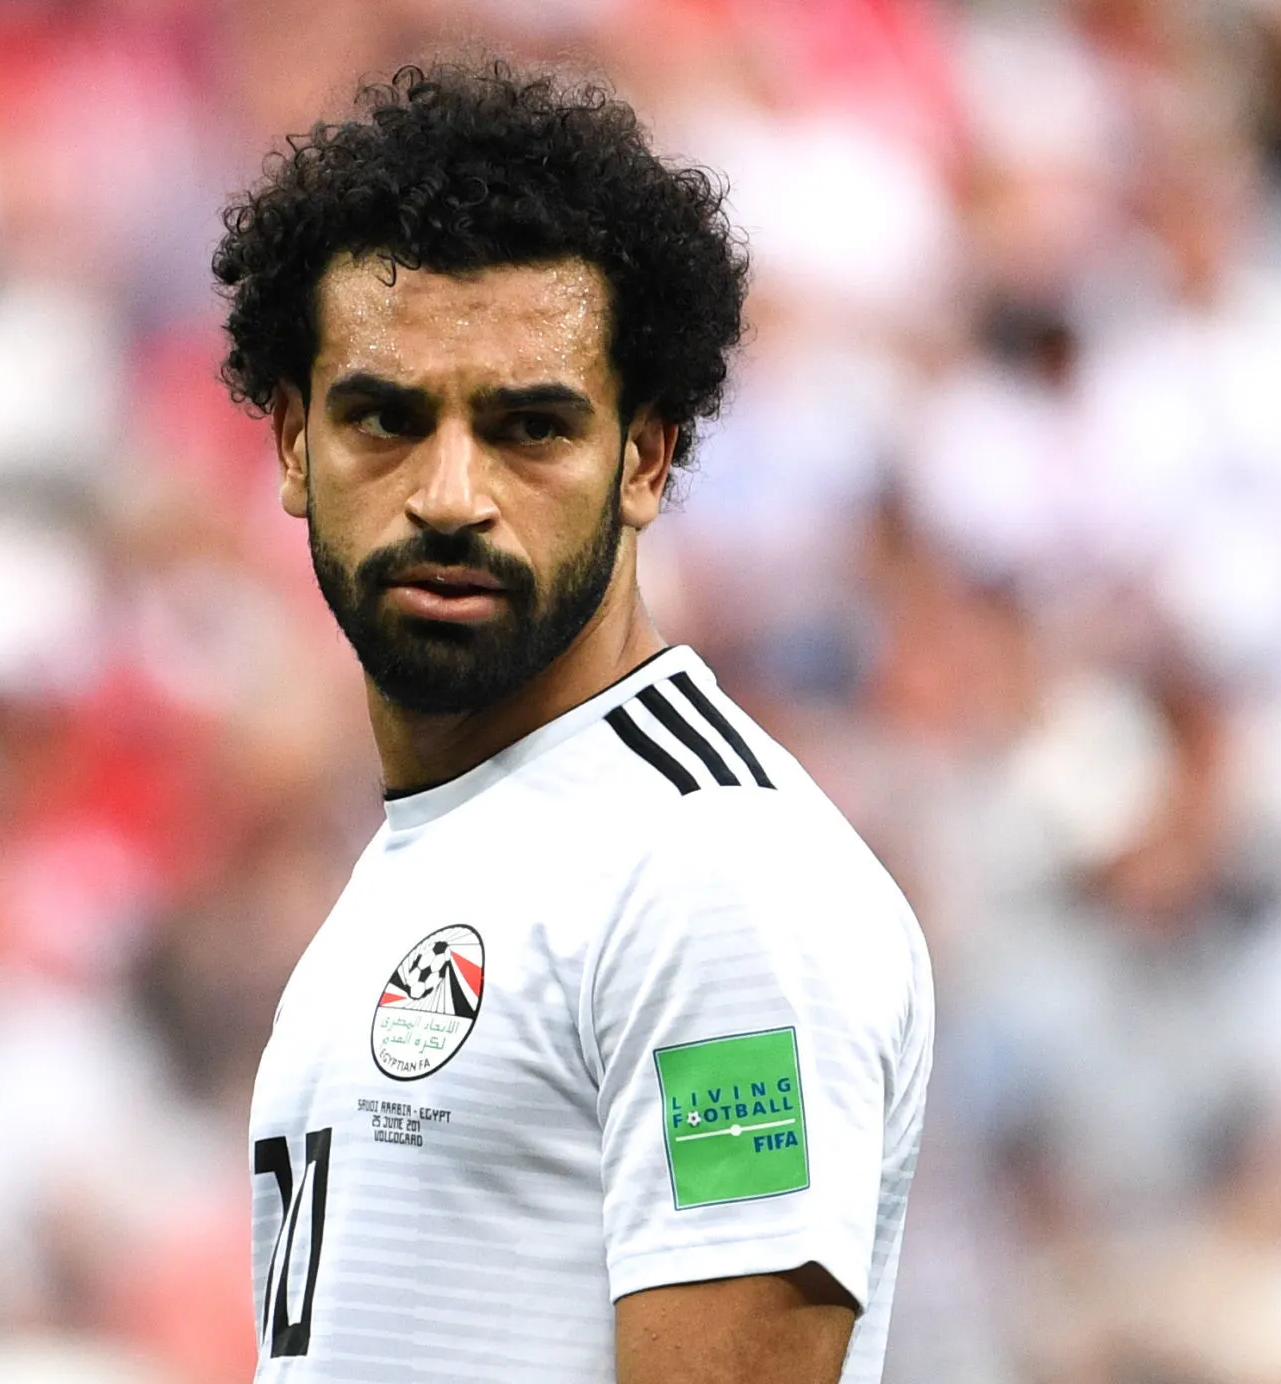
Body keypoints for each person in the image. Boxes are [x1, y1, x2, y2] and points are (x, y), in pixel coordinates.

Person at [212, 61, 933, 1384]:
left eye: (528, 428)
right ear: (294, 445)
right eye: (385, 418)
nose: (449, 495)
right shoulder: (437, 851)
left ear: (645, 459)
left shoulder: (712, 873)